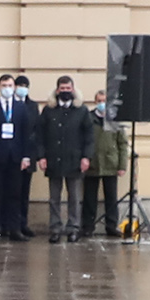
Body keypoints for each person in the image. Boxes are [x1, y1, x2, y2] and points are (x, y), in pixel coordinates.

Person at [0, 73, 37, 240]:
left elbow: (26, 133)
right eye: (4, 85)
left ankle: (15, 229)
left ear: (14, 87)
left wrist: (26, 156)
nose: (7, 88)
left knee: (15, 194)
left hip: (16, 158)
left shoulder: (21, 108)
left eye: (10, 85)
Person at [42, 75, 95, 239]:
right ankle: (55, 229)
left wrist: (86, 157)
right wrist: (41, 157)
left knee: (74, 198)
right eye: (62, 89)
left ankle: (73, 227)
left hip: (75, 161)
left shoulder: (82, 111)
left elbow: (89, 137)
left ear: (73, 89)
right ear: (57, 90)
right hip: (53, 160)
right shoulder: (48, 110)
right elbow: (40, 136)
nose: (65, 91)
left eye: (68, 88)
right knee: (54, 199)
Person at [91, 101, 130, 242]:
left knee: (111, 197)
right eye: (99, 101)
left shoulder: (115, 120)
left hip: (111, 163)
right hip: (92, 162)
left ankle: (112, 225)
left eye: (105, 101)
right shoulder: (89, 118)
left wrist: (122, 165)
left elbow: (122, 144)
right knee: (89, 197)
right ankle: (88, 226)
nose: (102, 104)